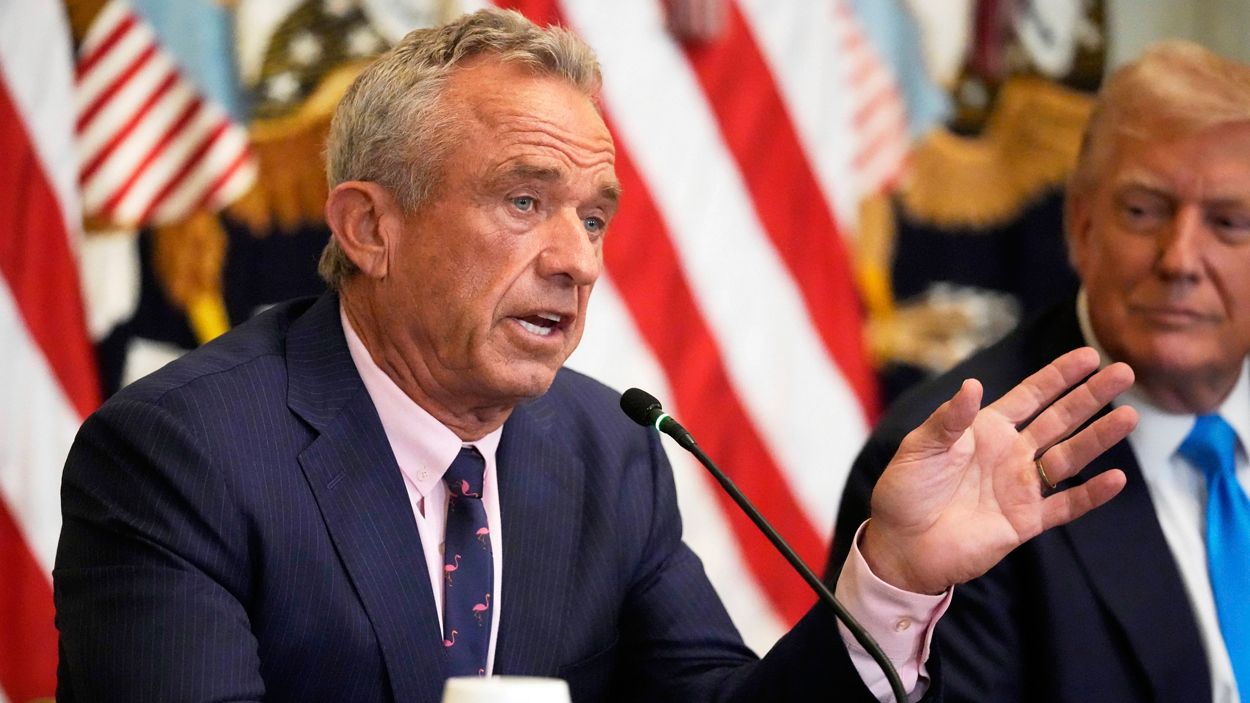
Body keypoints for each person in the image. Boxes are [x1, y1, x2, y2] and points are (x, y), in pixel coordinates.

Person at [55, 10, 1136, 703]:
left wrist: (889, 576)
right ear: (370, 227)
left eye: (594, 217)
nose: (577, 259)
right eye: (524, 201)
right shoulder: (183, 455)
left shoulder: (605, 452)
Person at [830, 41, 1250, 703]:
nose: (1180, 259)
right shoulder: (954, 466)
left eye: (1229, 223)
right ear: (1080, 225)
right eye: (1143, 211)